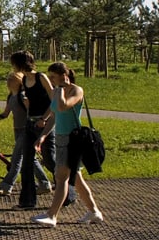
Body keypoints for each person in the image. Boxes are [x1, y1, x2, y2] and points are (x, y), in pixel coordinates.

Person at [31, 62, 104, 227]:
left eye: (53, 77)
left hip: (73, 140)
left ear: (64, 75)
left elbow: (63, 107)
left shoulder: (76, 90)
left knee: (62, 177)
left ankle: (52, 215)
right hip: (61, 138)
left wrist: (60, 90)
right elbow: (54, 115)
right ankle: (94, 212)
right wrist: (43, 136)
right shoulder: (58, 92)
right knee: (76, 178)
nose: (50, 80)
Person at [0, 71, 52, 196]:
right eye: (8, 79)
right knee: (30, 158)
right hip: (17, 130)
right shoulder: (11, 96)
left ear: (18, 81)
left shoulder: (23, 95)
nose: (9, 82)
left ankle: (7, 185)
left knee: (17, 158)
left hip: (26, 129)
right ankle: (44, 183)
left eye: (12, 79)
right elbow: (5, 114)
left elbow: (31, 111)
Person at [10, 50, 54, 208]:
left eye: (14, 64)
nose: (13, 67)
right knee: (27, 163)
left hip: (43, 124)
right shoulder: (23, 81)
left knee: (50, 160)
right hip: (30, 123)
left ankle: (68, 193)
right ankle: (27, 201)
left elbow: (54, 100)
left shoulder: (40, 77)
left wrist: (45, 119)